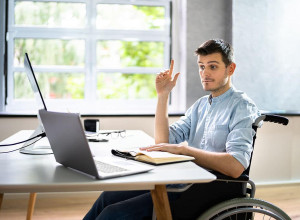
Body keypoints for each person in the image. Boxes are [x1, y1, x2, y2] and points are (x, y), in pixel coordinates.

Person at [83, 39, 260, 220]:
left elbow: (236, 166)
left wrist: (185, 151)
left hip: (208, 189)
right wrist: (163, 95)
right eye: (201, 66)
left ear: (230, 69)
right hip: (184, 181)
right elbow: (163, 142)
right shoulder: (200, 106)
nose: (204, 73)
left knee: (114, 214)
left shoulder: (242, 106)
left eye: (212, 67)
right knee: (107, 197)